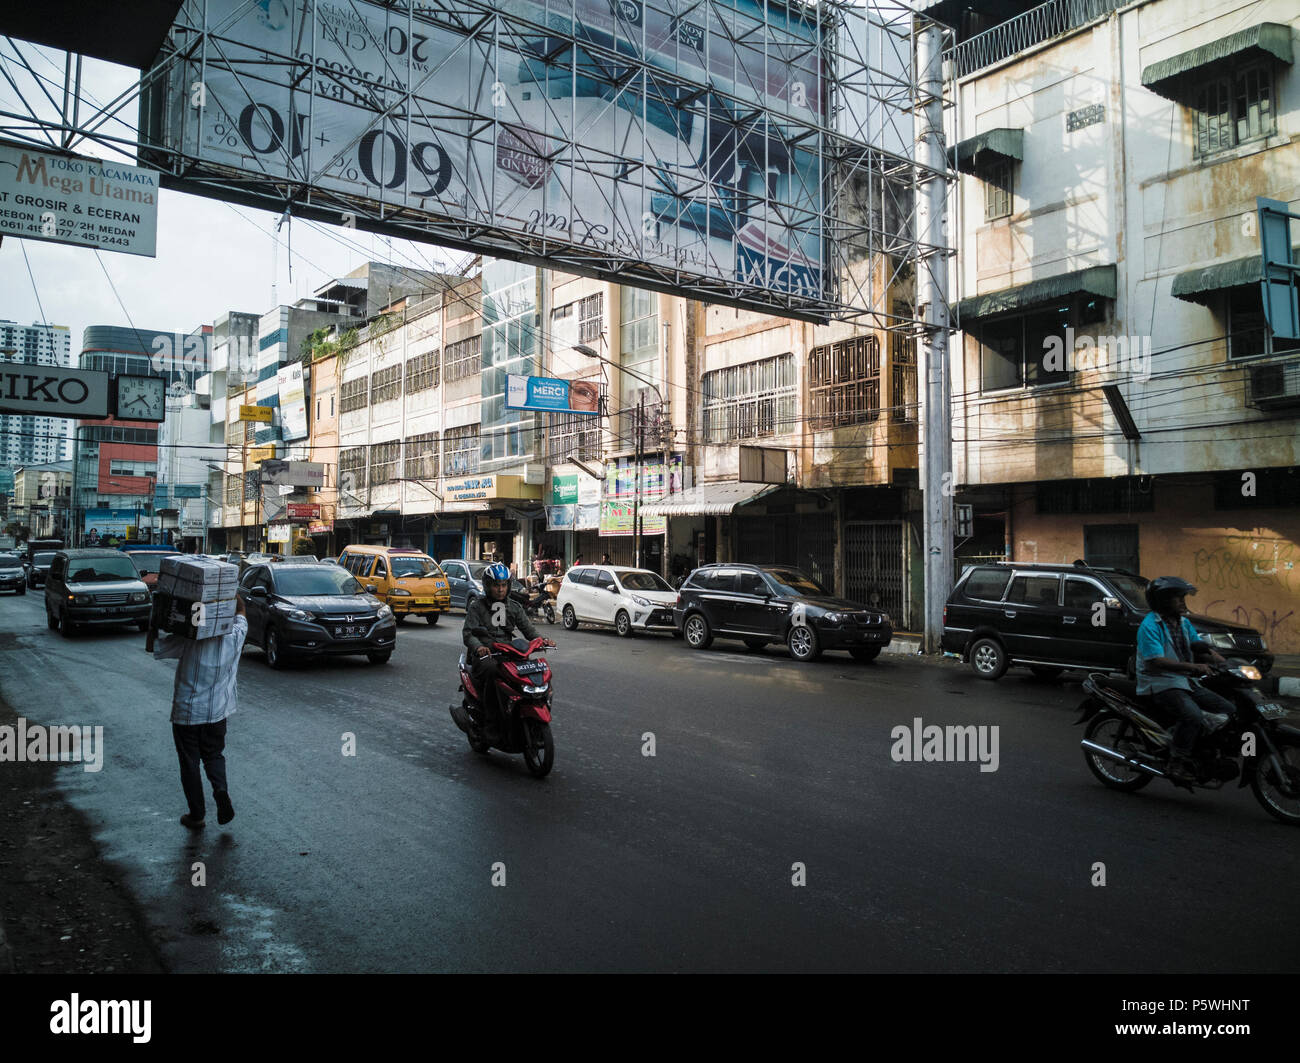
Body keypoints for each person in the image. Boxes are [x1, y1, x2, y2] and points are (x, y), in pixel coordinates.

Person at [155, 593, 249, 829]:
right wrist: (228, 593)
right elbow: (241, 611)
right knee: (214, 754)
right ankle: (220, 789)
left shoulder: (189, 637)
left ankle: (196, 815)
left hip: (187, 713)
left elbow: (154, 646)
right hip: (217, 712)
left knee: (190, 763)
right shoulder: (236, 634)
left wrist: (156, 617)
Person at [1136, 576, 1231, 784]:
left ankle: (1203, 750)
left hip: (1185, 681)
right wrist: (1194, 667)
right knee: (1192, 716)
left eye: (1182, 597)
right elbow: (1156, 662)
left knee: (1228, 709)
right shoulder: (1149, 626)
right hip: (1160, 683)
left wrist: (1223, 662)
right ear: (1162, 600)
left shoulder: (1184, 623)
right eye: (1176, 597)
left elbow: (1198, 647)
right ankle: (1176, 761)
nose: (1182, 601)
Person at [462, 562, 555, 730]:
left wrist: (542, 641)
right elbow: (468, 634)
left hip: (508, 652)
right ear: (487, 586)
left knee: (531, 670)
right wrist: (479, 647)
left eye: (504, 585)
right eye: (496, 585)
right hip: (485, 655)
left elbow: (529, 630)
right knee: (492, 670)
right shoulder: (477, 606)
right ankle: (491, 719)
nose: (500, 589)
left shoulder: (514, 607)